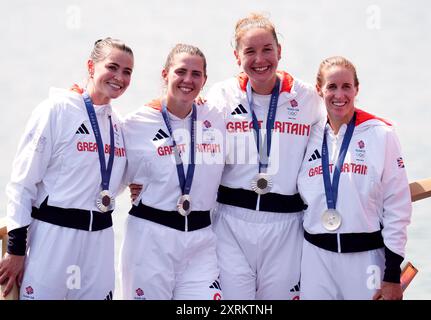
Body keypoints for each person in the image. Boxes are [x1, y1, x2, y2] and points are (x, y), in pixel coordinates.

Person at [0, 37, 134, 300]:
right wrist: (15, 249)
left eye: (127, 71)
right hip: (53, 239)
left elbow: (114, 183)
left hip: (100, 241)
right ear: (91, 66)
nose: (119, 76)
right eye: (113, 67)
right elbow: (22, 183)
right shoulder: (56, 110)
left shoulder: (118, 125)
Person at [206, 13, 325, 300]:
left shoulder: (308, 98)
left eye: (267, 49)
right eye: (250, 51)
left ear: (279, 51)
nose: (260, 59)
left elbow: (341, 127)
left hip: (286, 225)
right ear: (237, 57)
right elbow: (186, 130)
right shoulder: (221, 95)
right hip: (230, 223)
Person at [297, 56, 412, 300]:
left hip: (366, 259)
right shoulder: (309, 133)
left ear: (357, 89)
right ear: (319, 90)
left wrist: (392, 274)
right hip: (316, 259)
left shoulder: (381, 134)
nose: (339, 94)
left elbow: (397, 206)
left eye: (346, 86)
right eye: (331, 87)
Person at [120, 43, 225, 300]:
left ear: (205, 80)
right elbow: (108, 179)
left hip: (200, 240)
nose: (188, 80)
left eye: (196, 74)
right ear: (165, 74)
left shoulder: (216, 116)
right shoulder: (134, 124)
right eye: (180, 72)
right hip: (151, 239)